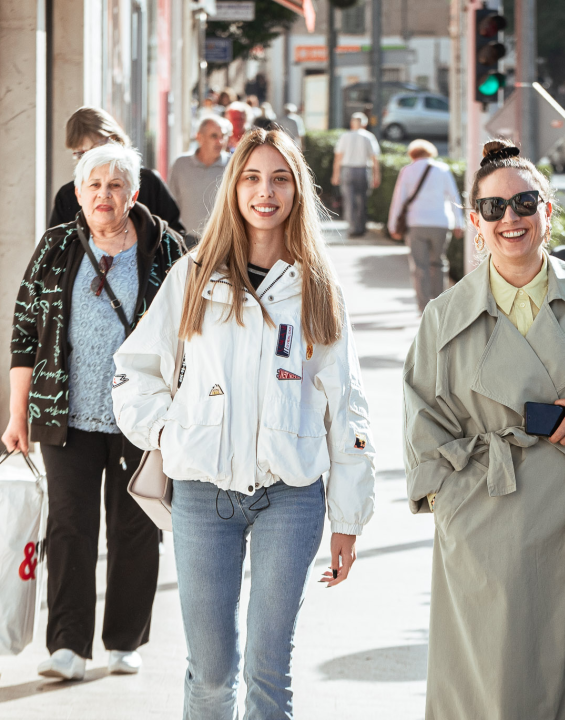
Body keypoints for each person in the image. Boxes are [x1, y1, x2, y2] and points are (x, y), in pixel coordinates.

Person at [112, 128, 376, 719]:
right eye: (253, 178)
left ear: (297, 191)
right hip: (203, 494)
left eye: (280, 178)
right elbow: (133, 372)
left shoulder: (319, 289)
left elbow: (348, 407)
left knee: (267, 668)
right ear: (234, 189)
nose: (266, 192)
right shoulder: (193, 277)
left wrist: (349, 518)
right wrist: (168, 433)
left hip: (291, 496)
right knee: (211, 672)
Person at [403, 138, 565, 720]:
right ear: (473, 222)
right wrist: (462, 509)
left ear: (548, 210)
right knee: (502, 691)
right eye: (493, 208)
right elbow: (424, 436)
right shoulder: (444, 317)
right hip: (491, 531)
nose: (509, 219)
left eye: (523, 203)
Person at [3, 142, 186, 681]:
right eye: (94, 185)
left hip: (142, 419)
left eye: (115, 186)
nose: (103, 195)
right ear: (77, 193)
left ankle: (125, 640)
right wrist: (18, 416)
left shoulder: (164, 248)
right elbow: (24, 331)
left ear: (133, 193)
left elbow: (191, 330)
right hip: (66, 417)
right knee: (69, 528)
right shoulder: (56, 246)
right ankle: (67, 646)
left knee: (134, 528)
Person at [48, 106, 184, 235]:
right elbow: (55, 249)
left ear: (115, 139)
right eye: (81, 154)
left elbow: (176, 238)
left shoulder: (149, 182)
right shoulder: (67, 196)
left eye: (95, 149)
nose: (103, 194)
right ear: (79, 195)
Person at [387, 139, 465, 311]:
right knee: (438, 263)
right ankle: (440, 305)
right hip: (441, 223)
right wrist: (459, 222)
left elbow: (398, 200)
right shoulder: (442, 170)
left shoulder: (407, 171)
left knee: (419, 266)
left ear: (412, 154)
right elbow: (454, 197)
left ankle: (424, 307)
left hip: (416, 224)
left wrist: (392, 226)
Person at [169, 115, 231, 244]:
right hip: (186, 240)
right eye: (214, 136)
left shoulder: (233, 165)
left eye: (223, 136)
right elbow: (170, 204)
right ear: (199, 137)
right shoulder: (181, 165)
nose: (220, 141)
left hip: (222, 240)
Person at [331, 112, 381, 237]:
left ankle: (352, 227)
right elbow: (375, 158)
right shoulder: (369, 137)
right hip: (363, 170)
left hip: (347, 170)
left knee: (349, 200)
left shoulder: (345, 136)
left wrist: (335, 174)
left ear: (352, 123)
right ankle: (360, 227)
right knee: (362, 200)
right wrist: (376, 175)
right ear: (364, 124)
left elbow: (338, 157)